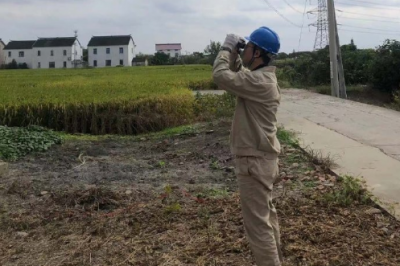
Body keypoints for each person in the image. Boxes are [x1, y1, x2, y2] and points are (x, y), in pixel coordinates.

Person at [212, 27, 283, 266]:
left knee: (257, 227)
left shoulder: (259, 81)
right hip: (262, 161)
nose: (245, 51)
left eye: (249, 47)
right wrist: (235, 55)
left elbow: (221, 75)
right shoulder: (261, 78)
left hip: (254, 162)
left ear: (258, 53)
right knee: (266, 218)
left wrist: (225, 49)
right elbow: (237, 75)